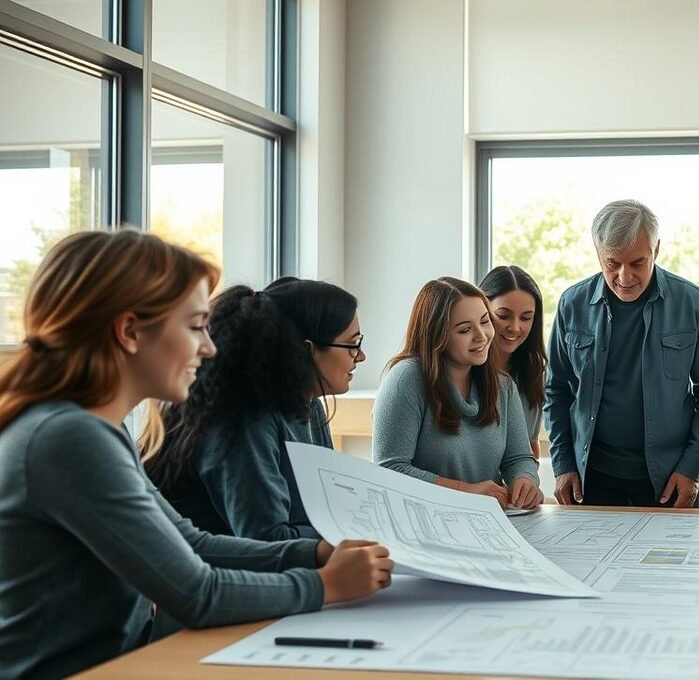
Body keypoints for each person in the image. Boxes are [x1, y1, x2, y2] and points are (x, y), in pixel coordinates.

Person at [0, 230, 392, 680]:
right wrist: (325, 585)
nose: (208, 347)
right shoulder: (68, 438)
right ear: (129, 332)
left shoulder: (88, 429)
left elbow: (192, 543)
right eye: (194, 327)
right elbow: (196, 593)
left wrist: (315, 553)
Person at [145, 278, 365, 541]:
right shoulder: (247, 420)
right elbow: (266, 539)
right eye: (353, 345)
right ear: (307, 351)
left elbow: (325, 511)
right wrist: (352, 532)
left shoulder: (309, 404)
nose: (361, 356)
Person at [546, 200, 699, 508]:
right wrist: (562, 464)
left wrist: (691, 467)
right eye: (612, 263)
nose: (625, 276)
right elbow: (556, 392)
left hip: (669, 480)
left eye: (637, 263)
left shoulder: (693, 303)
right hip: (591, 480)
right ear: (598, 253)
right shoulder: (571, 304)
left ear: (656, 250)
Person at [373, 277, 543, 510]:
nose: (482, 336)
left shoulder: (503, 386)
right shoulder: (406, 379)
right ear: (437, 335)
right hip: (422, 518)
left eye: (485, 321)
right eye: (464, 330)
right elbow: (390, 469)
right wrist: (465, 491)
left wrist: (525, 479)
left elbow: (519, 458)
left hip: (489, 520)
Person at [480, 265, 546, 460]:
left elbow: (531, 446)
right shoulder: (461, 369)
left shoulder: (534, 370)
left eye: (526, 318)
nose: (515, 328)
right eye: (503, 315)